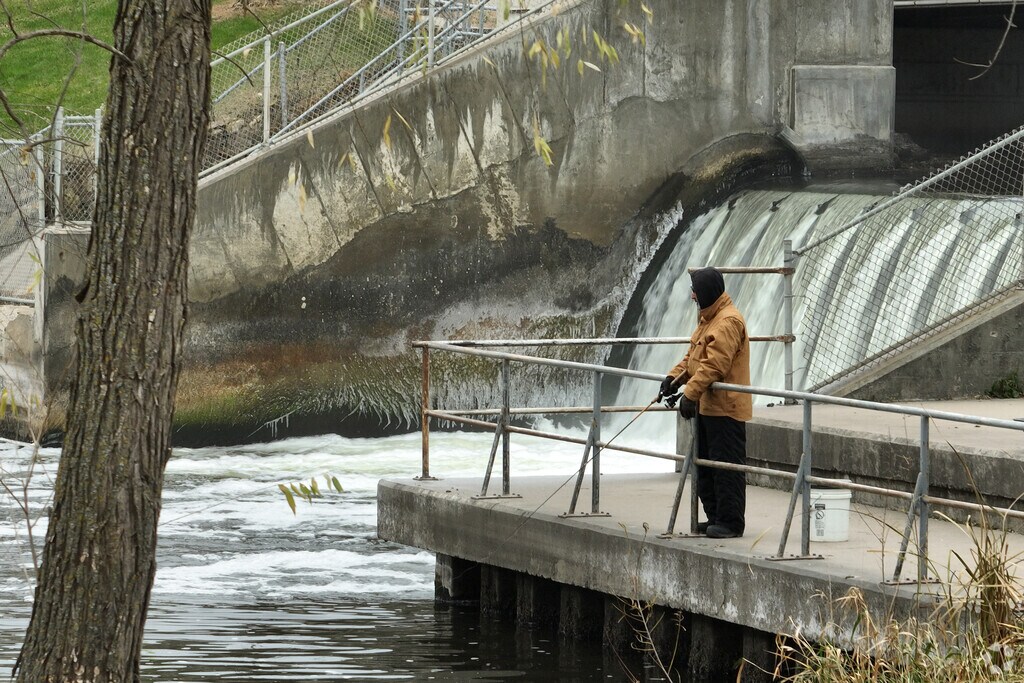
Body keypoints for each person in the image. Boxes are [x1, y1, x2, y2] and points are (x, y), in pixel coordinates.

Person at [659, 267, 751, 539]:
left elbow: (714, 366)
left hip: (727, 408)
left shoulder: (727, 322)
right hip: (709, 407)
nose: (691, 297)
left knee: (726, 469)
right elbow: (693, 359)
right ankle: (715, 517)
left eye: (695, 292)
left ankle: (731, 523)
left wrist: (690, 394)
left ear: (706, 293)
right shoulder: (708, 319)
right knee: (706, 466)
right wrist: (673, 379)